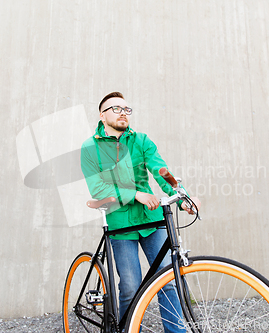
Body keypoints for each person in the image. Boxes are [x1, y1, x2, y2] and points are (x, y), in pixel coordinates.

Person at [80, 92, 201, 332]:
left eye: (127, 108)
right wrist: (136, 194)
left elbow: (161, 170)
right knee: (131, 286)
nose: (123, 112)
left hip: (151, 219)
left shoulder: (141, 140)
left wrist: (182, 196)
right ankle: (127, 328)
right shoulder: (90, 147)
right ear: (102, 115)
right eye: (116, 108)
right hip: (121, 224)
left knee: (167, 280)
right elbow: (97, 187)